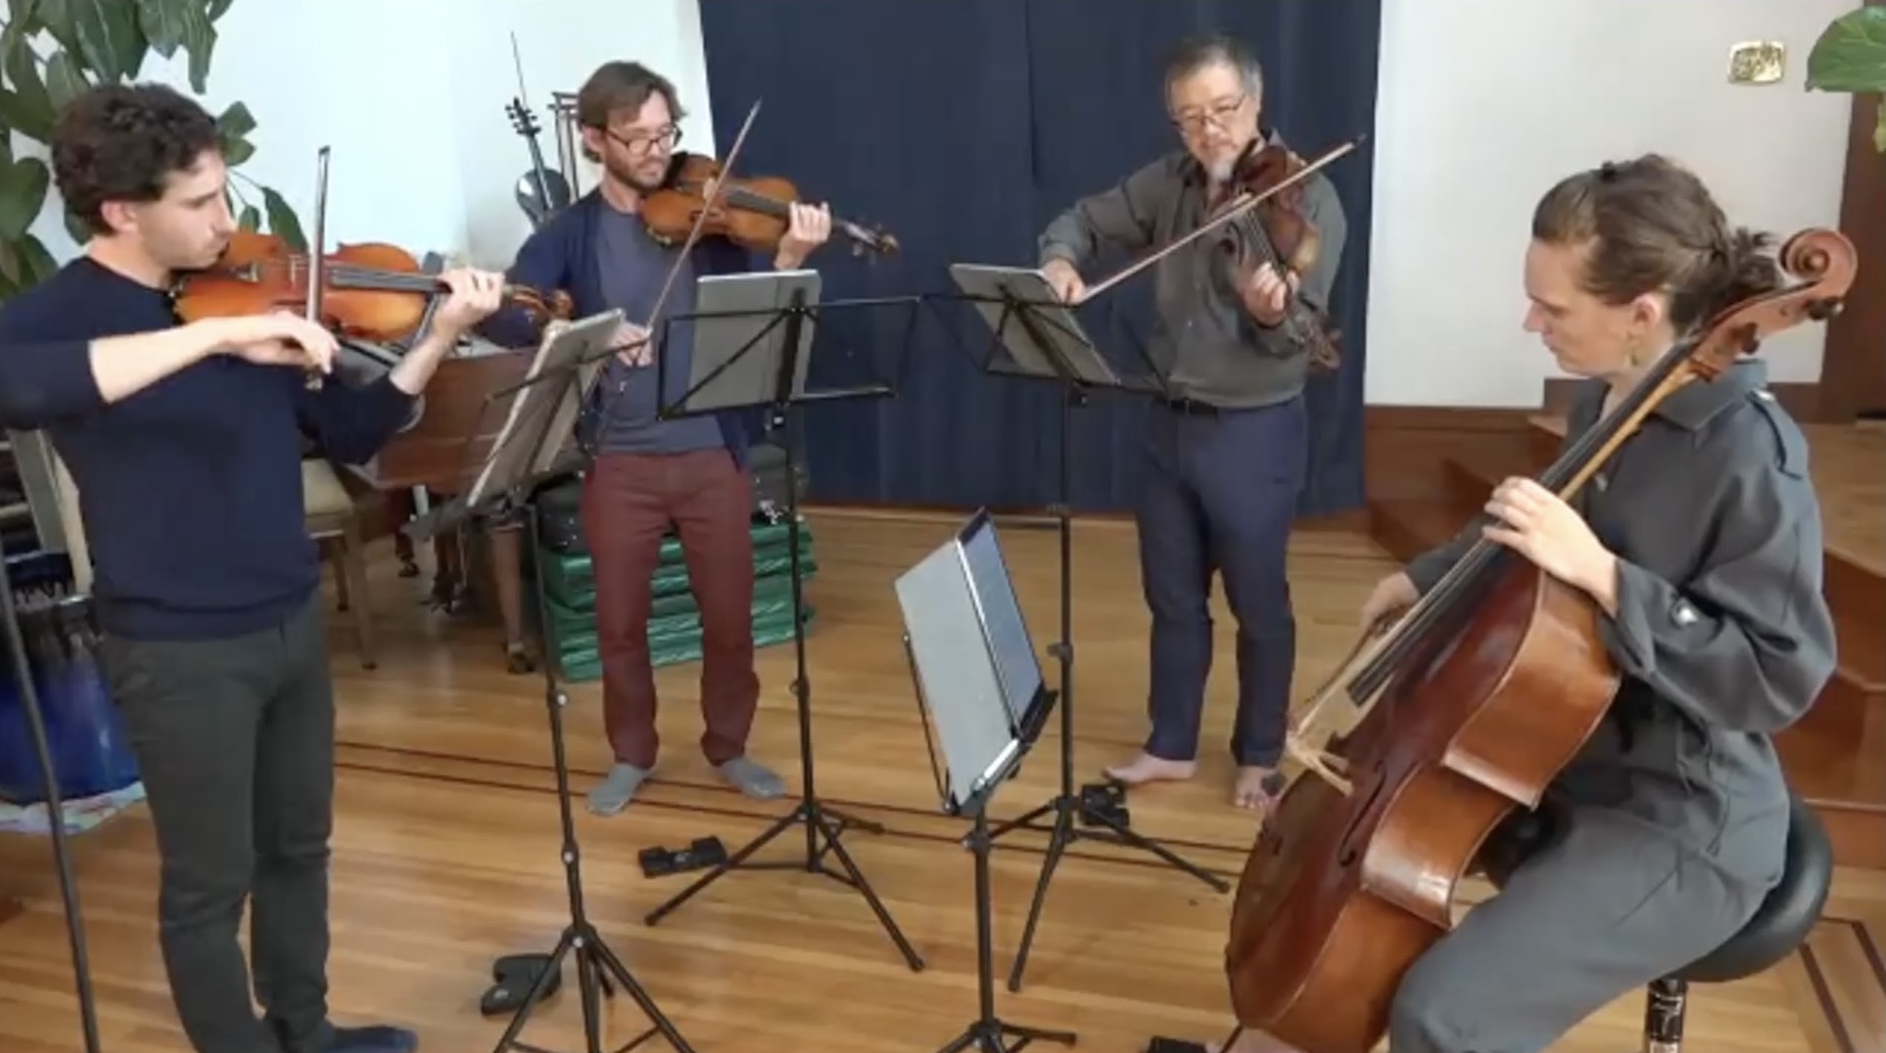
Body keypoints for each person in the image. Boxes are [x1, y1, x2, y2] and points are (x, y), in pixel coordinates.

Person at [1227, 154, 1838, 1053]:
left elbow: (1779, 678)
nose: (1530, 322)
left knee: (1447, 1014)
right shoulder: (1617, 393)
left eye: (1553, 309)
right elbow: (1532, 527)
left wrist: (1609, 578)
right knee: (1358, 912)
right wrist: (1428, 577)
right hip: (1563, 764)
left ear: (1642, 313)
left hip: (1680, 816)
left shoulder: (1750, 456)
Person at [0, 83, 505, 1053]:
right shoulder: (56, 319)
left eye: (224, 195)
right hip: (176, 645)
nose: (227, 224)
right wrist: (218, 336)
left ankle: (305, 1034)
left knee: (296, 849)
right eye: (199, 205)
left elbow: (351, 429)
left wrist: (434, 339)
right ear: (121, 211)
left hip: (287, 615)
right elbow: (20, 388)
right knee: (207, 883)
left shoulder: (252, 284)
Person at [478, 60, 833, 817]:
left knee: (731, 615)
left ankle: (728, 745)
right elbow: (510, 309)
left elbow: (761, 299)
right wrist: (587, 330)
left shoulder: (707, 213)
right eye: (638, 138)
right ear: (593, 140)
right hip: (623, 459)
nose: (657, 150)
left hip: (712, 450)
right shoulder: (570, 232)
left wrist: (791, 258)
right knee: (618, 623)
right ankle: (632, 752)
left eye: (667, 132)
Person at [1035, 33, 1347, 809]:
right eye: (1189, 118)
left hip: (1254, 430)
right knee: (1171, 595)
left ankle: (1259, 752)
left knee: (1258, 600)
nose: (1210, 132)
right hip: (1167, 423)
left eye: (1223, 111)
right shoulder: (1167, 184)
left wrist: (1269, 311)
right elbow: (1080, 219)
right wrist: (1060, 262)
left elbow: (1301, 334)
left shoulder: (1306, 196)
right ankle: (1171, 742)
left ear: (1257, 102)